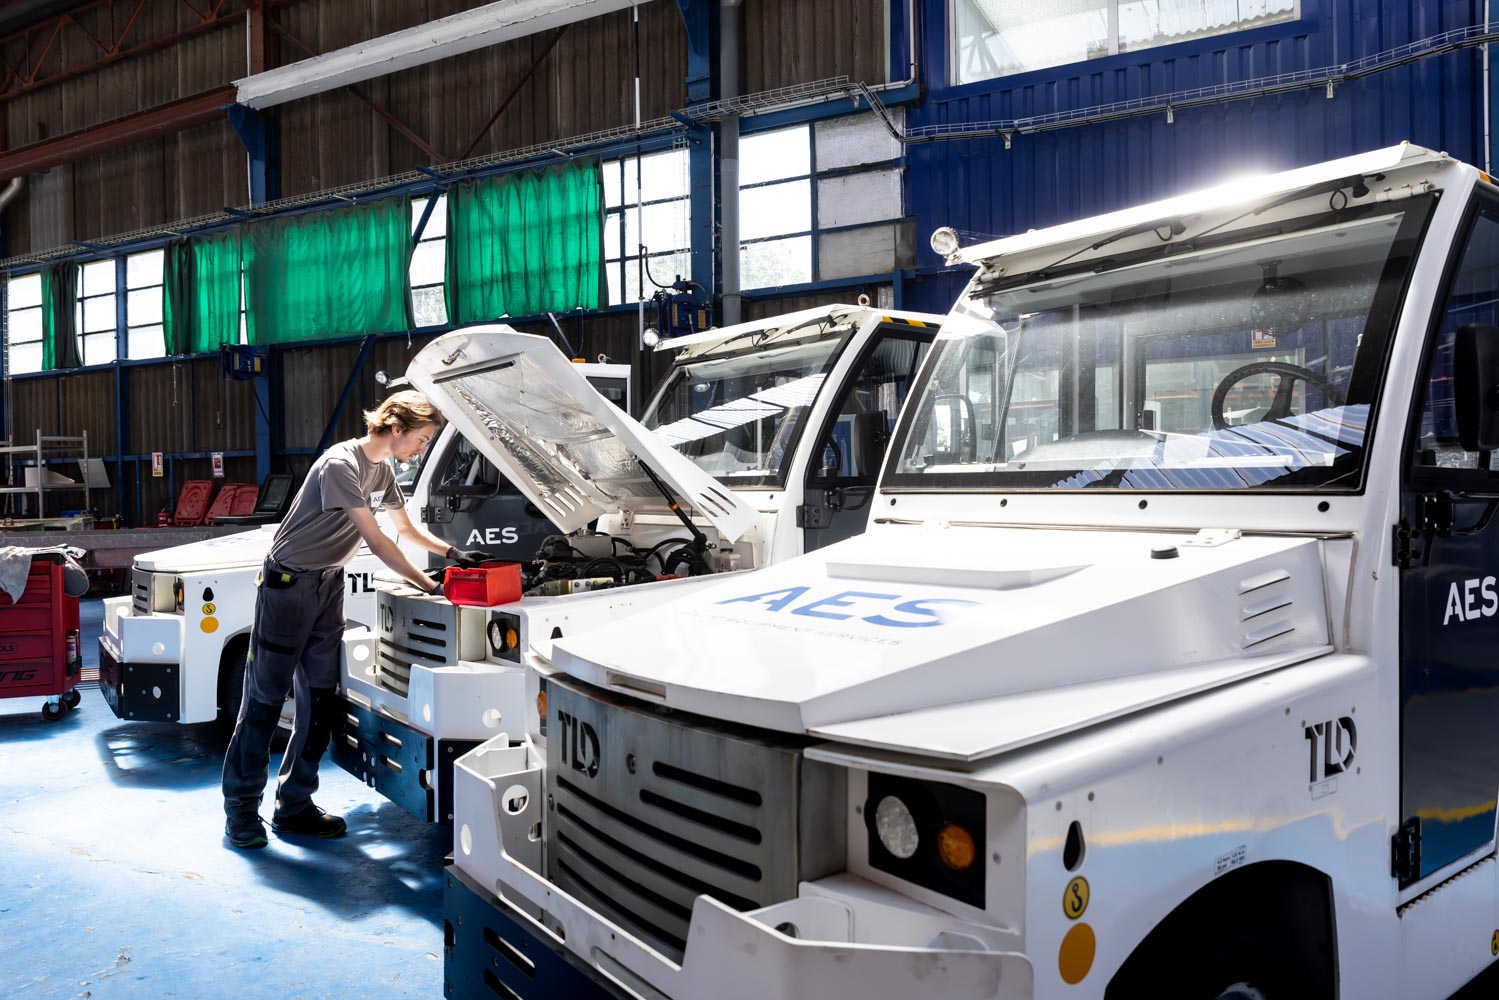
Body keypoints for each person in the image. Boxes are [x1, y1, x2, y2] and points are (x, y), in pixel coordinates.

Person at [221, 390, 488, 849]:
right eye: (422, 439)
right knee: (264, 701)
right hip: (287, 587)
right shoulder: (340, 465)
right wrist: (430, 585)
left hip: (328, 585)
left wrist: (453, 553)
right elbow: (379, 542)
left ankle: (294, 805)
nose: (421, 448)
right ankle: (241, 812)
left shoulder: (383, 471)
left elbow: (404, 529)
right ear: (397, 428)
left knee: (319, 700)